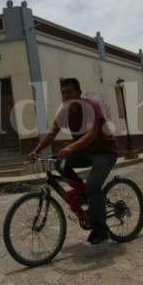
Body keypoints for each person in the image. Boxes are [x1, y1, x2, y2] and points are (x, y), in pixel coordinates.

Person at [28, 78, 119, 245]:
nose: (66, 96)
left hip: (105, 153)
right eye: (63, 93)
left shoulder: (91, 106)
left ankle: (101, 230)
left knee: (93, 187)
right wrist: (36, 150)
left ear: (79, 92)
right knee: (60, 164)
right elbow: (52, 133)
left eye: (69, 92)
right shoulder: (64, 111)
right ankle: (84, 194)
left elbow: (92, 133)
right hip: (85, 152)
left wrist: (71, 147)